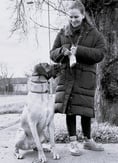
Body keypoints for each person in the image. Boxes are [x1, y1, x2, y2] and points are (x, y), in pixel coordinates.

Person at [50, 0, 106, 156]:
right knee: (71, 111)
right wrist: (63, 50)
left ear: (82, 15)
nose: (73, 20)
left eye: (76, 17)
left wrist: (79, 50)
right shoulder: (63, 32)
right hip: (67, 76)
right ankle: (73, 142)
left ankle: (88, 141)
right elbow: (52, 54)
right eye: (71, 17)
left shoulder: (94, 33)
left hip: (85, 77)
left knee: (86, 110)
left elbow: (100, 54)